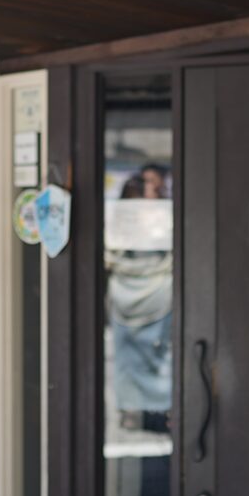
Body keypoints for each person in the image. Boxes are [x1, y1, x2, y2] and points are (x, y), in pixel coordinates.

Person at [107, 171, 173, 432]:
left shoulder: (163, 232)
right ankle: (135, 413)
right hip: (150, 291)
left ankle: (156, 412)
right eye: (154, 191)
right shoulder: (120, 239)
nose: (161, 197)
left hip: (157, 294)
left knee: (163, 357)